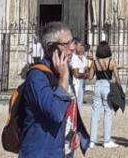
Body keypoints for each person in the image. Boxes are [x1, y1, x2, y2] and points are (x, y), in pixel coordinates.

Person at [18, 22, 81, 158]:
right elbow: (56, 112)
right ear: (51, 47)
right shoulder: (37, 77)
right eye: (67, 44)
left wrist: (72, 133)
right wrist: (63, 77)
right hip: (41, 152)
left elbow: (69, 110)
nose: (72, 48)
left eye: (73, 42)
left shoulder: (63, 71)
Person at [90, 38, 118, 149]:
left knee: (95, 112)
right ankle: (106, 140)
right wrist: (118, 87)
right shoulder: (111, 61)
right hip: (107, 86)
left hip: (97, 85)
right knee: (107, 112)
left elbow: (90, 76)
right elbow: (116, 76)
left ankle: (92, 140)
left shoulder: (95, 62)